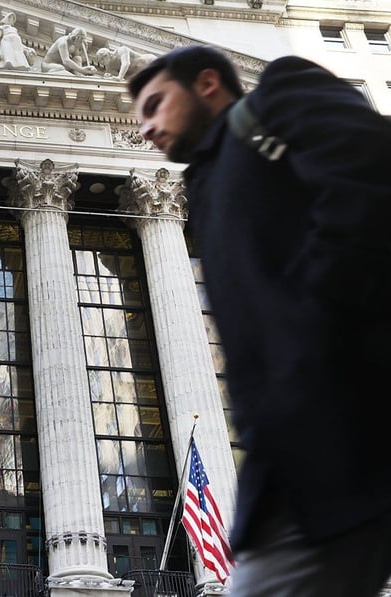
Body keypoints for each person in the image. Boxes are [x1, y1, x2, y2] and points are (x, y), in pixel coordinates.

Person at [128, 45, 391, 596]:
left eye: (155, 104)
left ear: (206, 83)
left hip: (350, 417)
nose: (147, 127)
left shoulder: (280, 96)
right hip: (295, 455)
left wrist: (314, 326)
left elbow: (373, 177)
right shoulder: (205, 185)